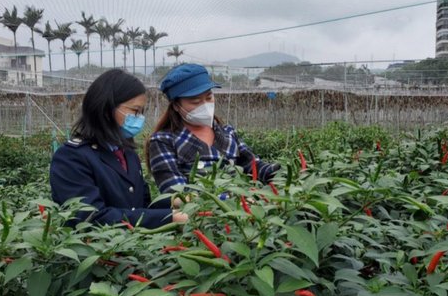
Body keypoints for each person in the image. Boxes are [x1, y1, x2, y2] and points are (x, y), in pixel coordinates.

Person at [50, 69, 188, 228]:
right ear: (106, 109)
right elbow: (90, 218)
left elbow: (141, 208)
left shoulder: (127, 154)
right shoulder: (71, 158)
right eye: (135, 111)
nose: (139, 118)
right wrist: (171, 218)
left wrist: (175, 201)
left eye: (141, 112)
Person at [147, 64, 280, 194]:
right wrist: (231, 200)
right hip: (201, 214)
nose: (205, 105)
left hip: (241, 213)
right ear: (176, 106)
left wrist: (281, 173)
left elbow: (254, 166)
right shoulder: (164, 141)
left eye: (209, 97)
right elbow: (176, 193)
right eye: (195, 102)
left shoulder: (228, 133)